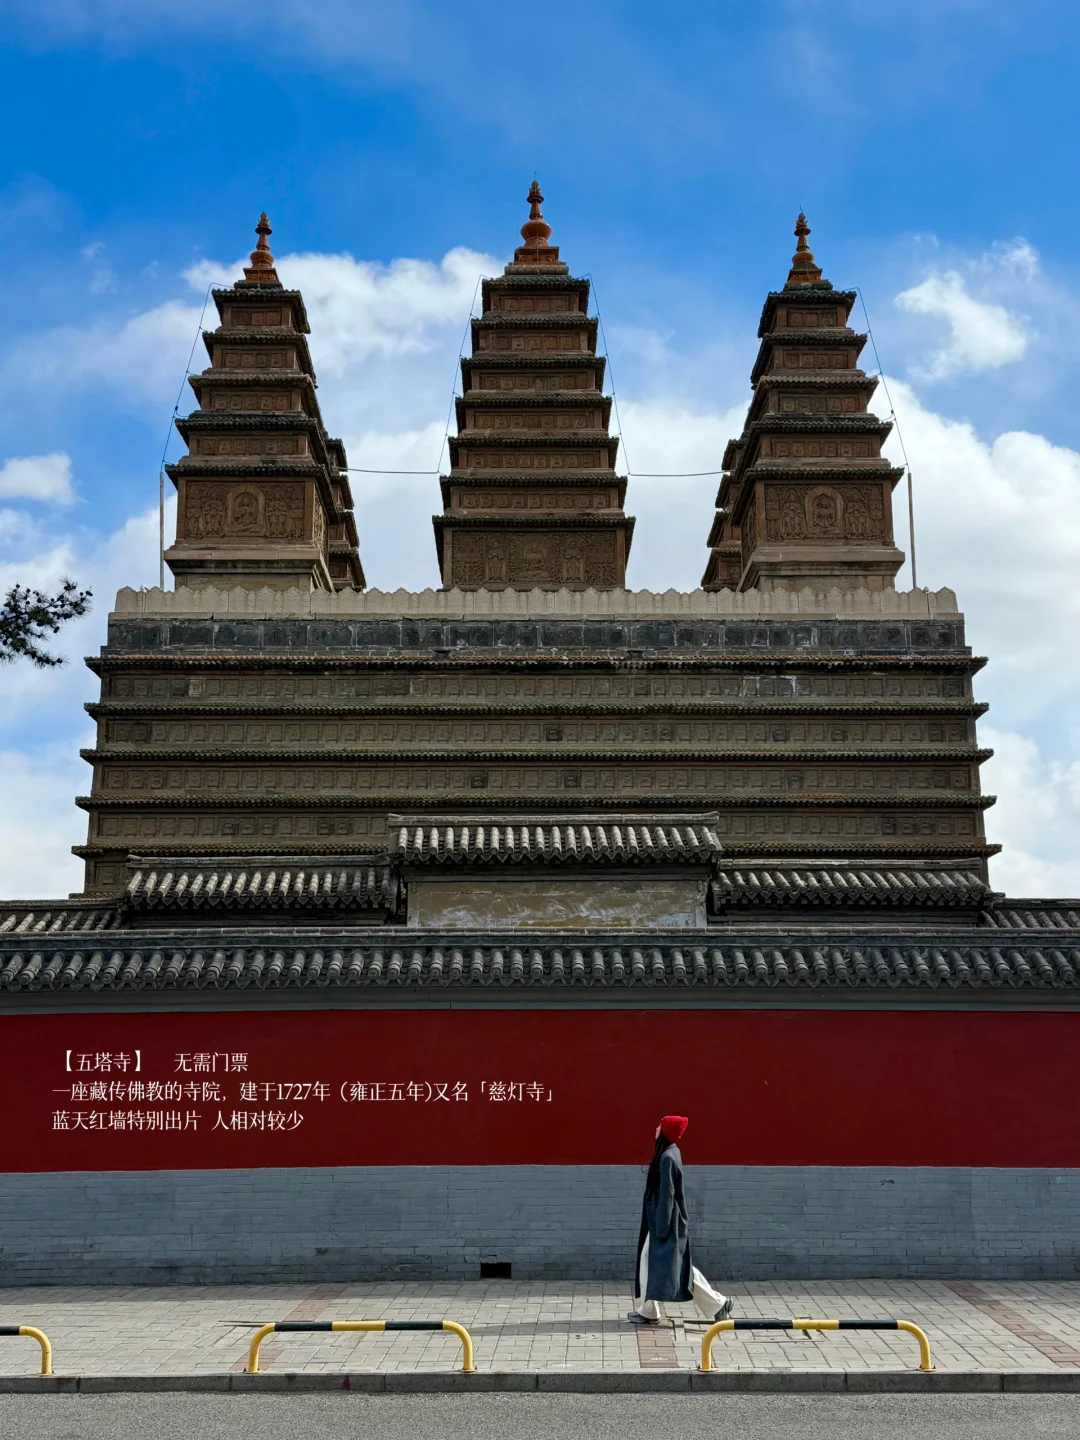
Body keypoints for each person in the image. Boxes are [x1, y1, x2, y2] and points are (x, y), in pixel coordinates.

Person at [629, 1115, 734, 1325]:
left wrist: (662, 1227)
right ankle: (651, 1309)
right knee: (670, 1264)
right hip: (664, 1220)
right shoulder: (671, 1152)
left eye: (660, 1126)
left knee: (675, 1266)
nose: (656, 1128)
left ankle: (717, 1304)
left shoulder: (667, 1157)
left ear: (665, 1132)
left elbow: (668, 1195)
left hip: (666, 1222)